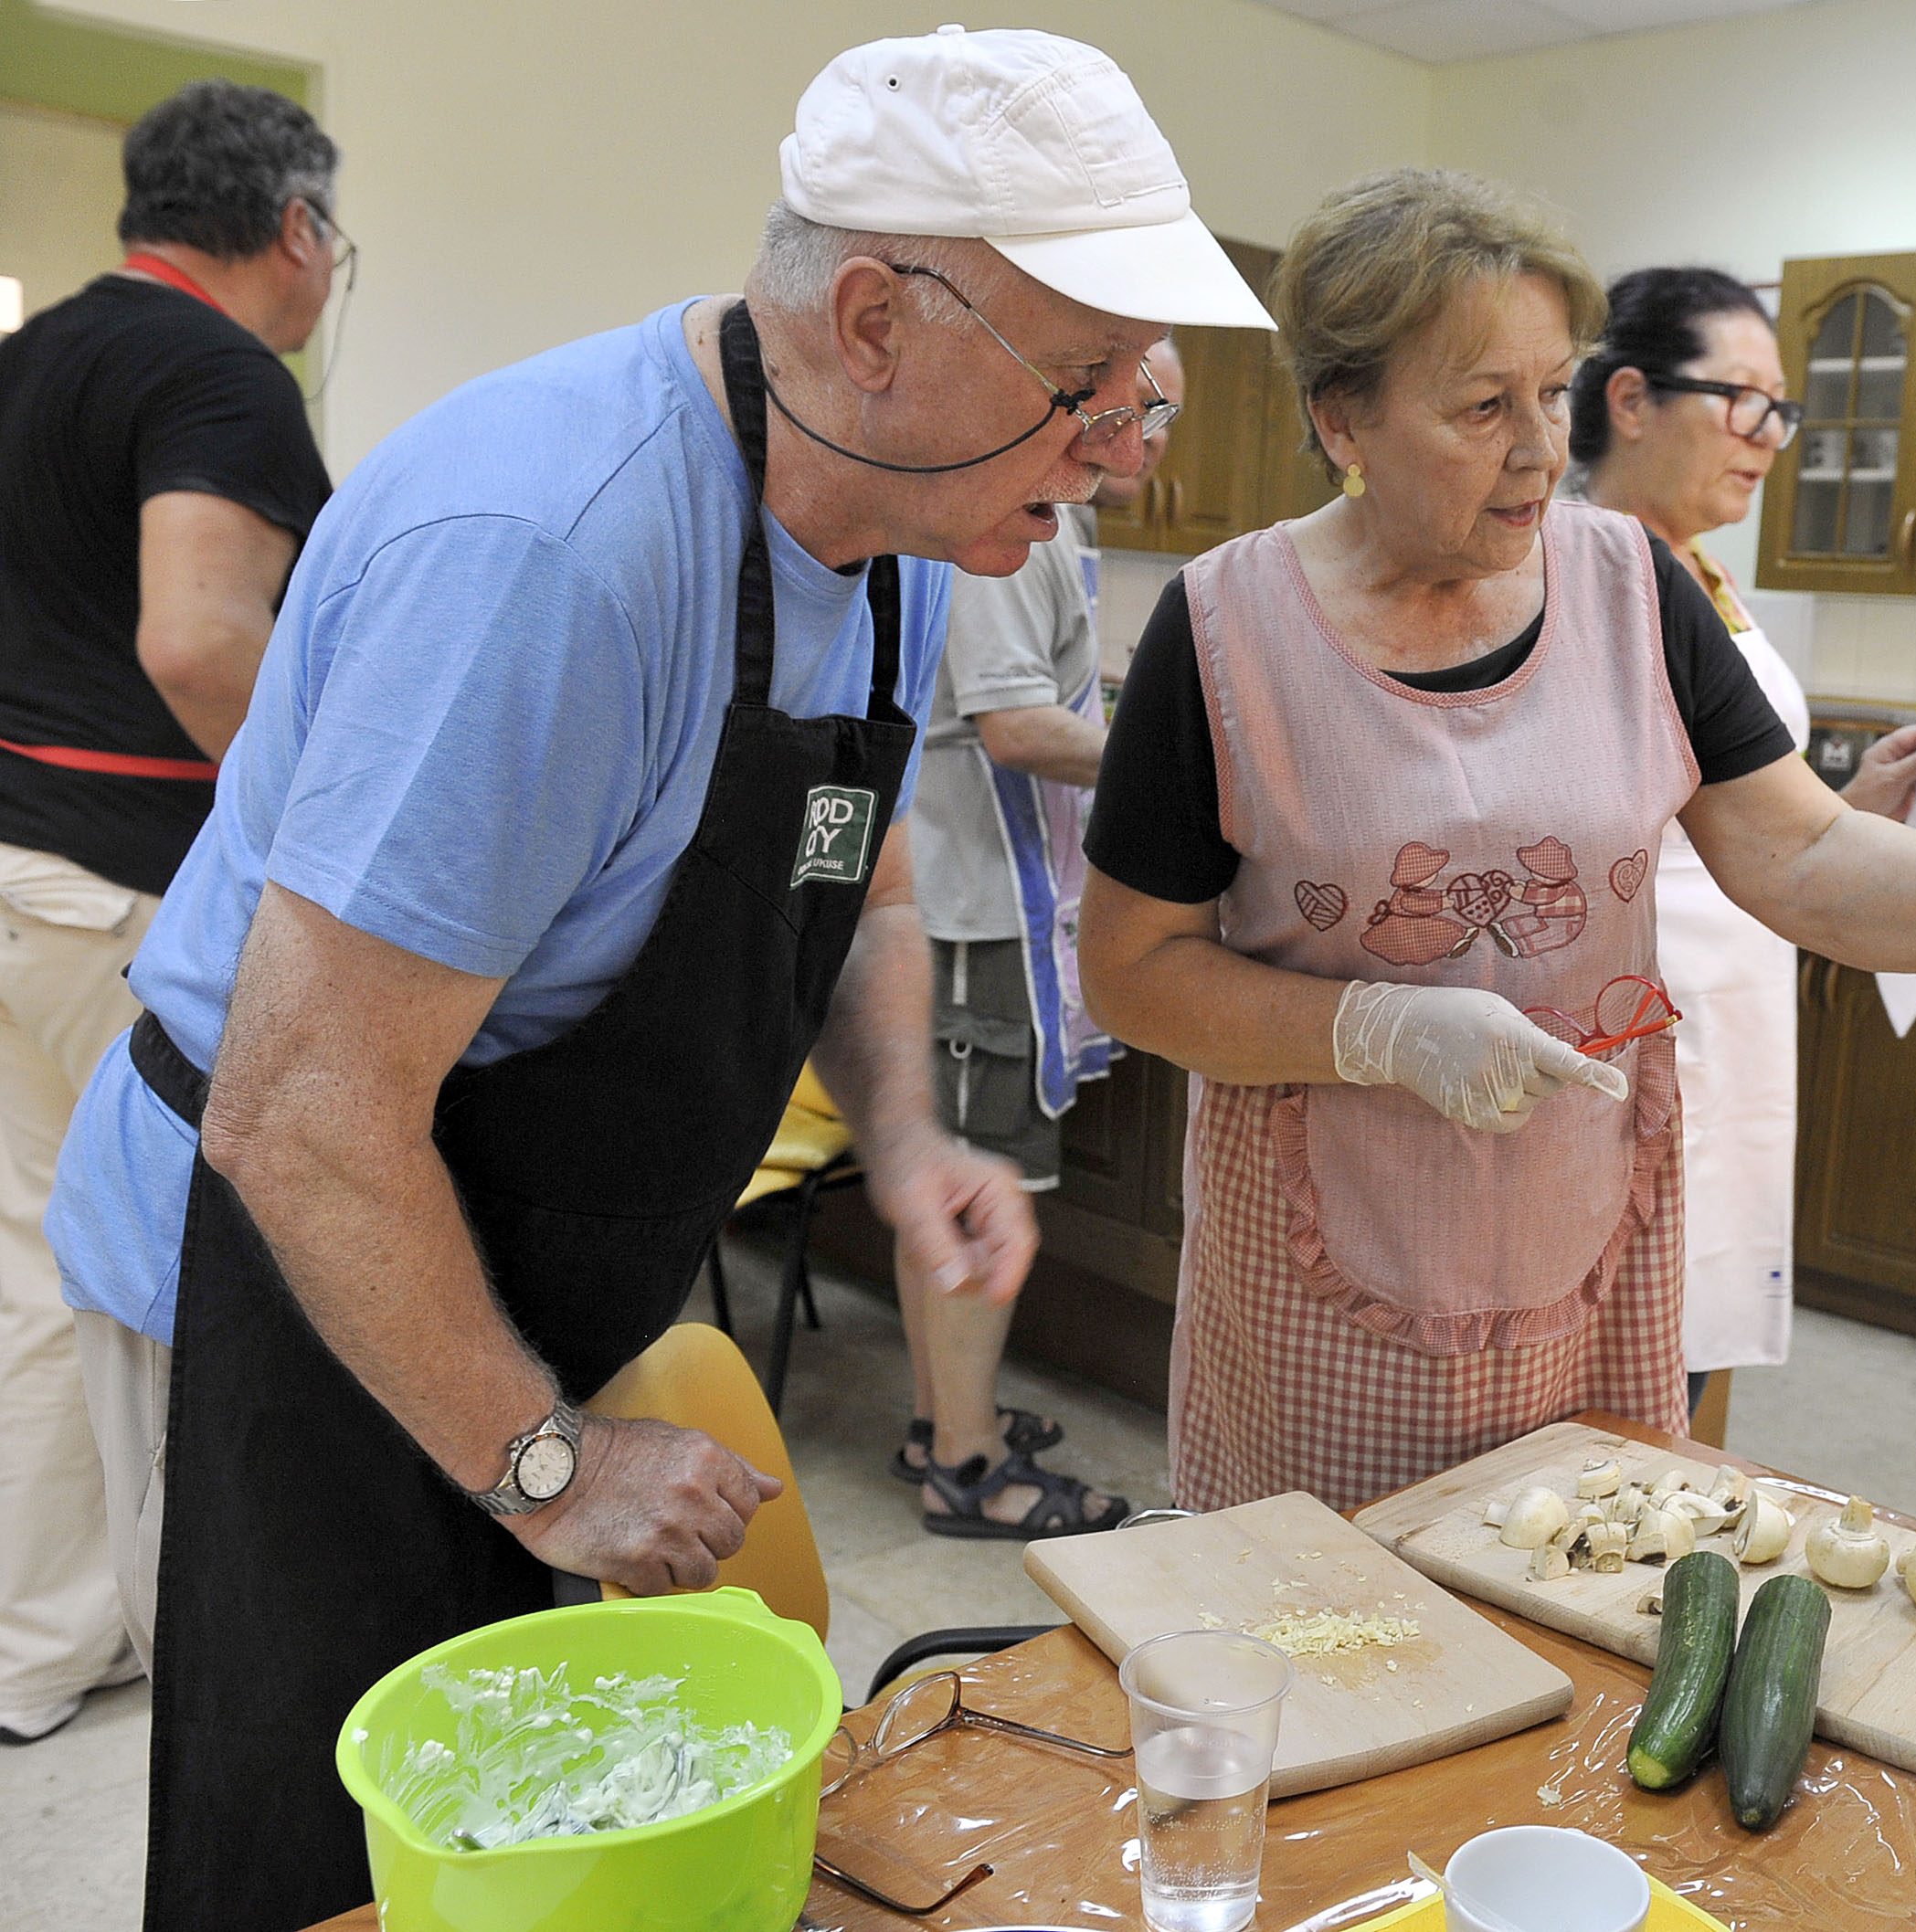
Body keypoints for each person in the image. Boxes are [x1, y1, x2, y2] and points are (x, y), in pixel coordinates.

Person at [45, 28, 1270, 1930]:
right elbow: (303, 1115)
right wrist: (544, 1458)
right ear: (872, 318)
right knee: (335, 1828)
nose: (1120, 449)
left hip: (502, 1242)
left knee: (541, 1816)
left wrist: (901, 1124)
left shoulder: (911, 526)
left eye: (1138, 392)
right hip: (282, 1253)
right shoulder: (548, 557)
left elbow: (846, 869)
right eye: (1084, 385)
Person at [1076, 168, 1916, 1515]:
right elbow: (1134, 968)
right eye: (1478, 407)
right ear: (1343, 416)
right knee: (1334, 1642)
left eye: (1551, 392)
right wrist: (1379, 1029)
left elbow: (1804, 858)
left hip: (1583, 1245)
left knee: (1574, 1616)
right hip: (1323, 1274)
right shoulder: (1222, 630)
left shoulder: (1636, 588)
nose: (1537, 449)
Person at [0, 79, 340, 1747]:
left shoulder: (30, 356)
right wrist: (330, 838)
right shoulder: (218, 372)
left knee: (24, 1256)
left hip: (11, 868)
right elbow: (203, 642)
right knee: (140, 1278)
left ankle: (34, 1631)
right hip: (114, 885)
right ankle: (102, 1633)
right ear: (295, 229)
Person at [1570, 266, 1916, 1420]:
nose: (1768, 438)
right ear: (1629, 401)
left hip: (1731, 1003)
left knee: (1682, 1350)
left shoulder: (1707, 580)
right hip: (1630, 1012)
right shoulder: (1574, 574)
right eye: (1741, 401)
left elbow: (1730, 801)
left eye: (1778, 410)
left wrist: (1844, 814)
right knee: (1604, 1362)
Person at [892, 344, 1184, 1536]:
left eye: (1165, 411)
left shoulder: (1056, 519)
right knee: (977, 1184)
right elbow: (1015, 726)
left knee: (975, 1175)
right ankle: (961, 1461)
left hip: (1004, 900)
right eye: (1142, 404)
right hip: (975, 909)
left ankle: (944, 1415)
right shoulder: (1009, 524)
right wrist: (1182, 765)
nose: (1154, 432)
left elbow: (1044, 696)